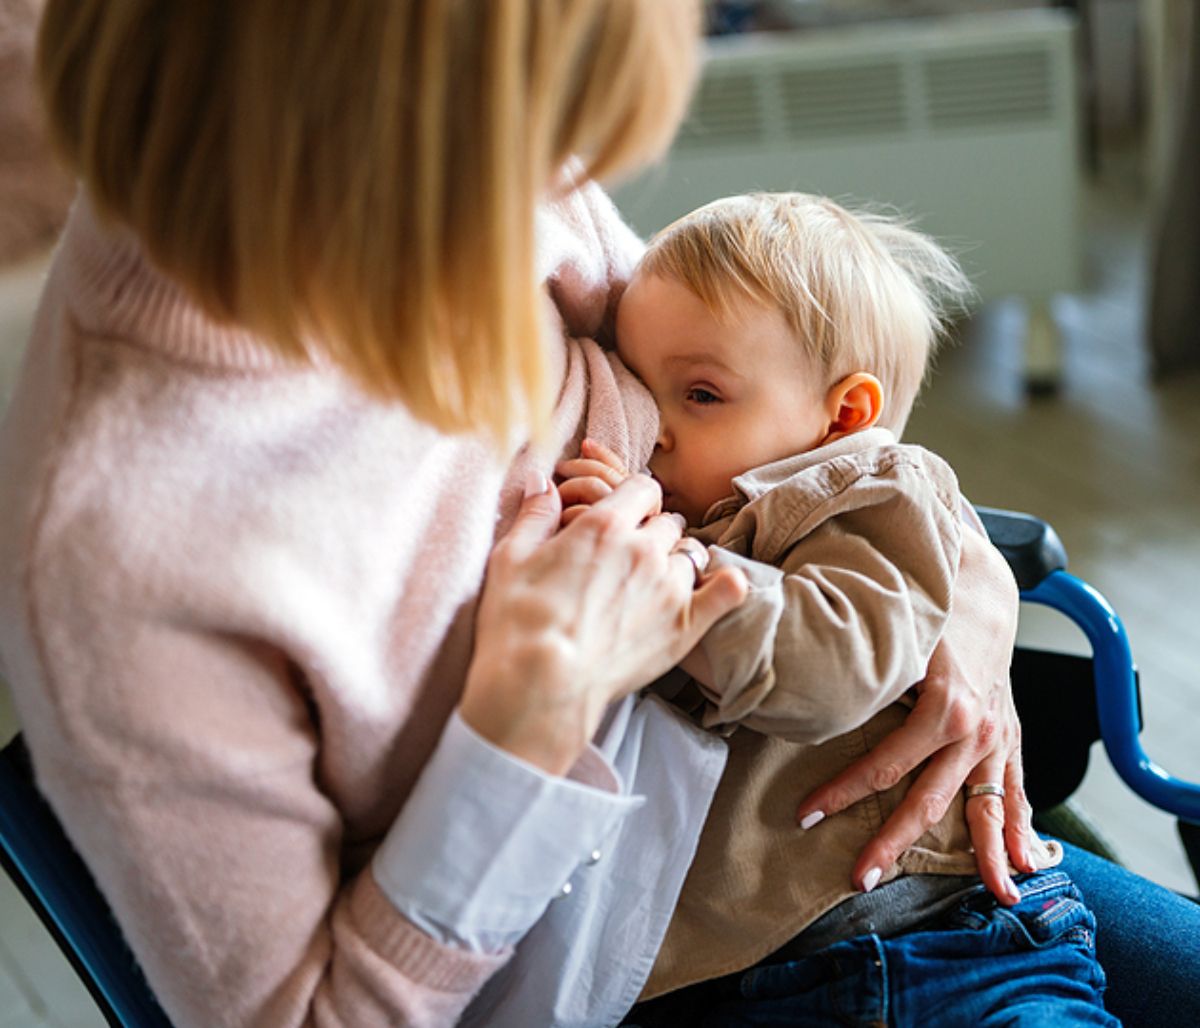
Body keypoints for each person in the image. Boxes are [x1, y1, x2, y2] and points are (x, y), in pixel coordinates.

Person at [0, 2, 1193, 1026]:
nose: (556, 183)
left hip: (883, 852)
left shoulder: (484, 166)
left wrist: (960, 617)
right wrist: (524, 723)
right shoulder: (122, 556)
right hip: (682, 952)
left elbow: (802, 420)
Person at [556, 192, 1114, 1024]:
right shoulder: (703, 520)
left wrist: (665, 571)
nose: (655, 430)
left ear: (844, 415)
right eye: (638, 386)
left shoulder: (868, 492)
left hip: (940, 945)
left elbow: (826, 672)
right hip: (740, 977)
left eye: (700, 395)